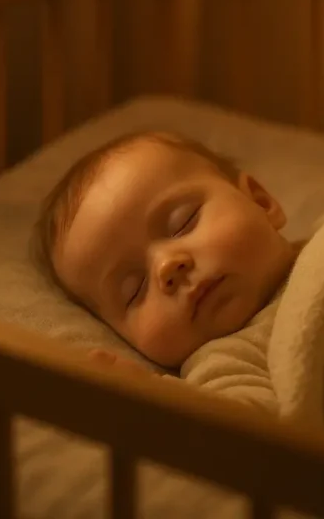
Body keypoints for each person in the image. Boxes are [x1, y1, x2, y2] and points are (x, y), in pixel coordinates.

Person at [32, 131, 296, 408]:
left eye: (183, 223)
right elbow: (237, 426)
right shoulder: (229, 360)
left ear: (260, 201)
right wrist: (153, 395)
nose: (166, 266)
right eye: (134, 291)